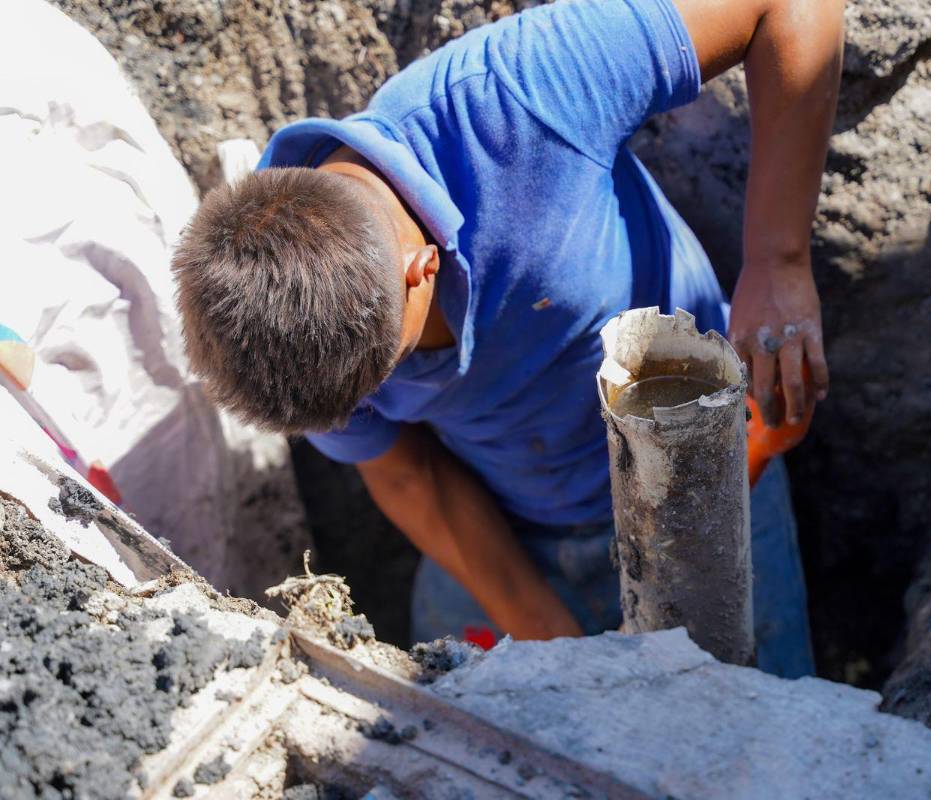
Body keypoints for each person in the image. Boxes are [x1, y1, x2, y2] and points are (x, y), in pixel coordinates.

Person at [172, 0, 843, 677]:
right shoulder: (280, 319)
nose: (377, 403)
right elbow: (405, 471)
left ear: (422, 267)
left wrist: (777, 259)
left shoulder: (522, 98)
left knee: (753, 741)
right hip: (506, 523)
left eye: (388, 373)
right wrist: (546, 630)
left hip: (705, 477)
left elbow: (788, 7)